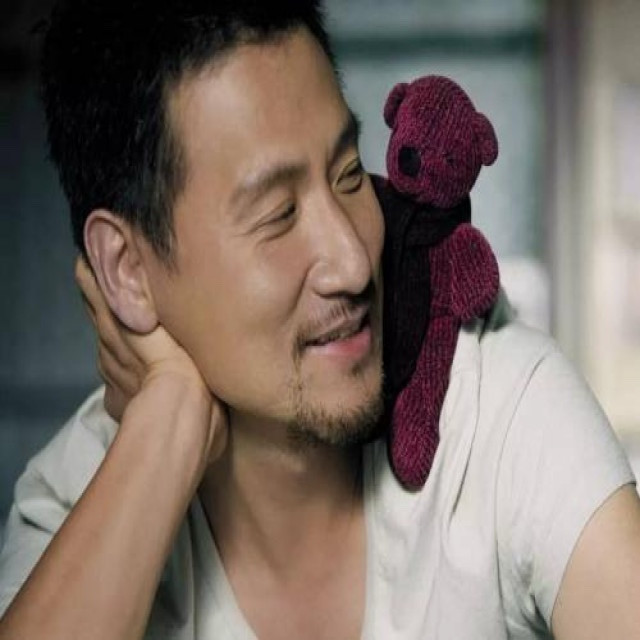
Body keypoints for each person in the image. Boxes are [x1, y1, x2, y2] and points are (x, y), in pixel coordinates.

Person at [1, 1, 639, 638]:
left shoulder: (491, 405)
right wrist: (168, 419)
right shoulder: (80, 497)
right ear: (128, 270)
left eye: (348, 174)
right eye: (278, 214)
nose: (354, 263)